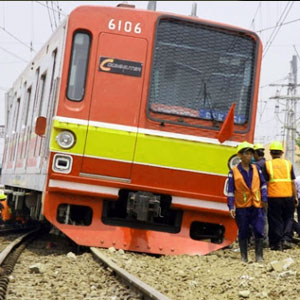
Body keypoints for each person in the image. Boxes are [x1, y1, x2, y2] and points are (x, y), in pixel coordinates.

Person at [227, 141, 268, 262]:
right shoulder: (233, 172)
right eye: (246, 153)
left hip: (256, 204)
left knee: (259, 229)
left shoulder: (256, 169)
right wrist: (231, 206)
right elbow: (230, 191)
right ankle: (244, 256)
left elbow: (263, 184)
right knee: (243, 230)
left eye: (250, 153)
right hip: (242, 206)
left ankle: (259, 256)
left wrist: (264, 198)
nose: (249, 156)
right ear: (240, 155)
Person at [263, 141, 299, 250]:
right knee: (289, 218)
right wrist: (295, 196)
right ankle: (286, 239)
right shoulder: (288, 164)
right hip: (288, 195)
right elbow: (292, 182)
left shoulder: (267, 165)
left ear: (271, 153)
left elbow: (264, 182)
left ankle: (276, 243)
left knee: (275, 219)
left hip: (274, 196)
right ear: (282, 152)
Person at [253, 143, 268, 247]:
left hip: (257, 195)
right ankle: (265, 240)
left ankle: (257, 240)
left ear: (255, 153)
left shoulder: (256, 166)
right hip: (268, 194)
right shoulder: (268, 164)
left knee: (256, 217)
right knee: (265, 218)